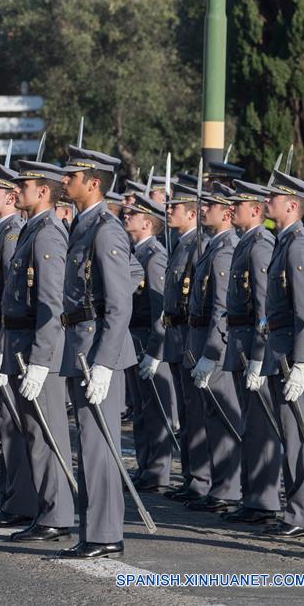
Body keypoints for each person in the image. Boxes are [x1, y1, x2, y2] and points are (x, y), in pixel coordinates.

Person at [58, 146, 142, 559]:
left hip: (97, 351)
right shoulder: (83, 225)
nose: (64, 181)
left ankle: (106, 533)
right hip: (81, 347)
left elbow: (118, 303)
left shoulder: (105, 229)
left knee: (99, 445)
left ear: (93, 183)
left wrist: (105, 362)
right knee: (89, 444)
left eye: (71, 176)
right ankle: (93, 531)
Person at [0, 160, 75, 542]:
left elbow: (50, 304)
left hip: (35, 347)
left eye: (24, 185)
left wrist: (42, 360)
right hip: (19, 345)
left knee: (47, 434)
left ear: (43, 192)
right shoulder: (31, 230)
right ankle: (46, 510)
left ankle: (56, 514)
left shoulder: (46, 234)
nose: (17, 192)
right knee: (32, 433)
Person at [0, 164, 39, 528]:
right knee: (7, 425)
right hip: (2, 336)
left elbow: (9, 298)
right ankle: (15, 498)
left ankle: (21, 501)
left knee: (16, 427)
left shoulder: (12, 233)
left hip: (13, 338)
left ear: (10, 198)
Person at [260, 170, 304, 539]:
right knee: (290, 436)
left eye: (273, 199)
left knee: (303, 436)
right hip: (279, 349)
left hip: (295, 353)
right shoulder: (284, 241)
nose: (266, 203)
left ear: (291, 206)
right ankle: (298, 510)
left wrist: (303, 361)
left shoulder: (299, 245)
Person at [220, 179, 280, 525]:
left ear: (255, 211)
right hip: (241, 341)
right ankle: (254, 497)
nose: (231, 210)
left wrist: (259, 354)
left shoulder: (259, 246)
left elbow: (262, 307)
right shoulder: (247, 243)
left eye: (237, 205)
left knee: (260, 427)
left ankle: (265, 501)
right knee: (251, 426)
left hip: (252, 344)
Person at [184, 184, 242, 514]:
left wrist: (211, 351)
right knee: (210, 418)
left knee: (221, 419)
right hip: (201, 341)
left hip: (215, 346)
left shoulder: (224, 250)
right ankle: (220, 486)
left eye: (210, 205)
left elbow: (222, 306)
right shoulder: (212, 246)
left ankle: (228, 489)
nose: (203, 209)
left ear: (226, 212)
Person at [160, 182, 209, 502]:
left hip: (191, 334)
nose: (168, 211)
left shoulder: (198, 245)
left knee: (197, 413)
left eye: (174, 207)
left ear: (191, 214)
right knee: (188, 413)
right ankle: (192, 477)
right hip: (178, 336)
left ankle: (202, 479)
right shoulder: (179, 243)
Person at [123, 194, 175, 493]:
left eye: (132, 214)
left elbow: (159, 308)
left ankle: (158, 472)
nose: (126, 216)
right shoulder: (137, 251)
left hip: (147, 337)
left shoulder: (154, 256)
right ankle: (146, 467)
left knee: (155, 409)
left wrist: (156, 350)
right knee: (140, 408)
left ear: (147, 223)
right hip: (134, 336)